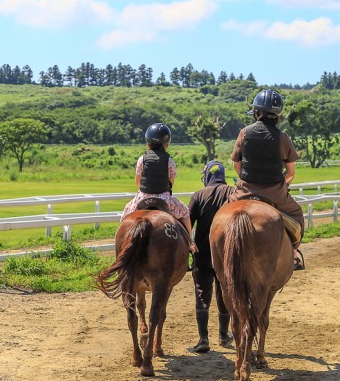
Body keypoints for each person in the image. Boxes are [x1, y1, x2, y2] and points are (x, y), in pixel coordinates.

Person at [230, 89, 306, 270]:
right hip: (275, 194)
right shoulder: (282, 137)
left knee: (221, 213)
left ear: (256, 112)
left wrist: (245, 182)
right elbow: (291, 171)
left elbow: (236, 165)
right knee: (297, 214)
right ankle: (294, 253)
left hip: (245, 192)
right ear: (277, 116)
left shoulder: (244, 133)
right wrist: (283, 184)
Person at [187, 160, 236, 353]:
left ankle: (203, 338)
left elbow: (187, 224)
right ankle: (224, 336)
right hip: (226, 254)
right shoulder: (232, 193)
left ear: (207, 176)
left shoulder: (199, 195)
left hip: (203, 254)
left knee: (201, 293)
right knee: (224, 291)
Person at [121, 123, 195, 249]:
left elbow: (137, 181)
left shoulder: (141, 159)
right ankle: (190, 243)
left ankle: (121, 243)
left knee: (126, 213)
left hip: (143, 197)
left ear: (147, 143)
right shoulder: (170, 161)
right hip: (164, 199)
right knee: (185, 211)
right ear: (167, 143)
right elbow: (171, 182)